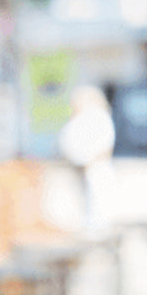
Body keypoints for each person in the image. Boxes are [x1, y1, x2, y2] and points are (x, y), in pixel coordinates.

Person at [58, 86, 116, 228]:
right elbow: (69, 143)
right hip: (80, 170)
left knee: (99, 208)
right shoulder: (81, 120)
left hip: (97, 169)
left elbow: (103, 146)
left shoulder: (97, 118)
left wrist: (87, 158)